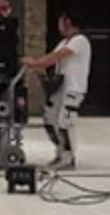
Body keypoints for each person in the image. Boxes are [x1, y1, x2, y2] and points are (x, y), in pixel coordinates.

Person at [23, 13, 92, 171]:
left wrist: (35, 62)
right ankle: (60, 152)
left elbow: (57, 56)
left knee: (65, 123)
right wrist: (35, 65)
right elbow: (51, 59)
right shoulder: (63, 42)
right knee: (50, 119)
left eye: (60, 23)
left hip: (74, 89)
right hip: (60, 87)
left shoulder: (80, 41)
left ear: (68, 22)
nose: (59, 26)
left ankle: (68, 157)